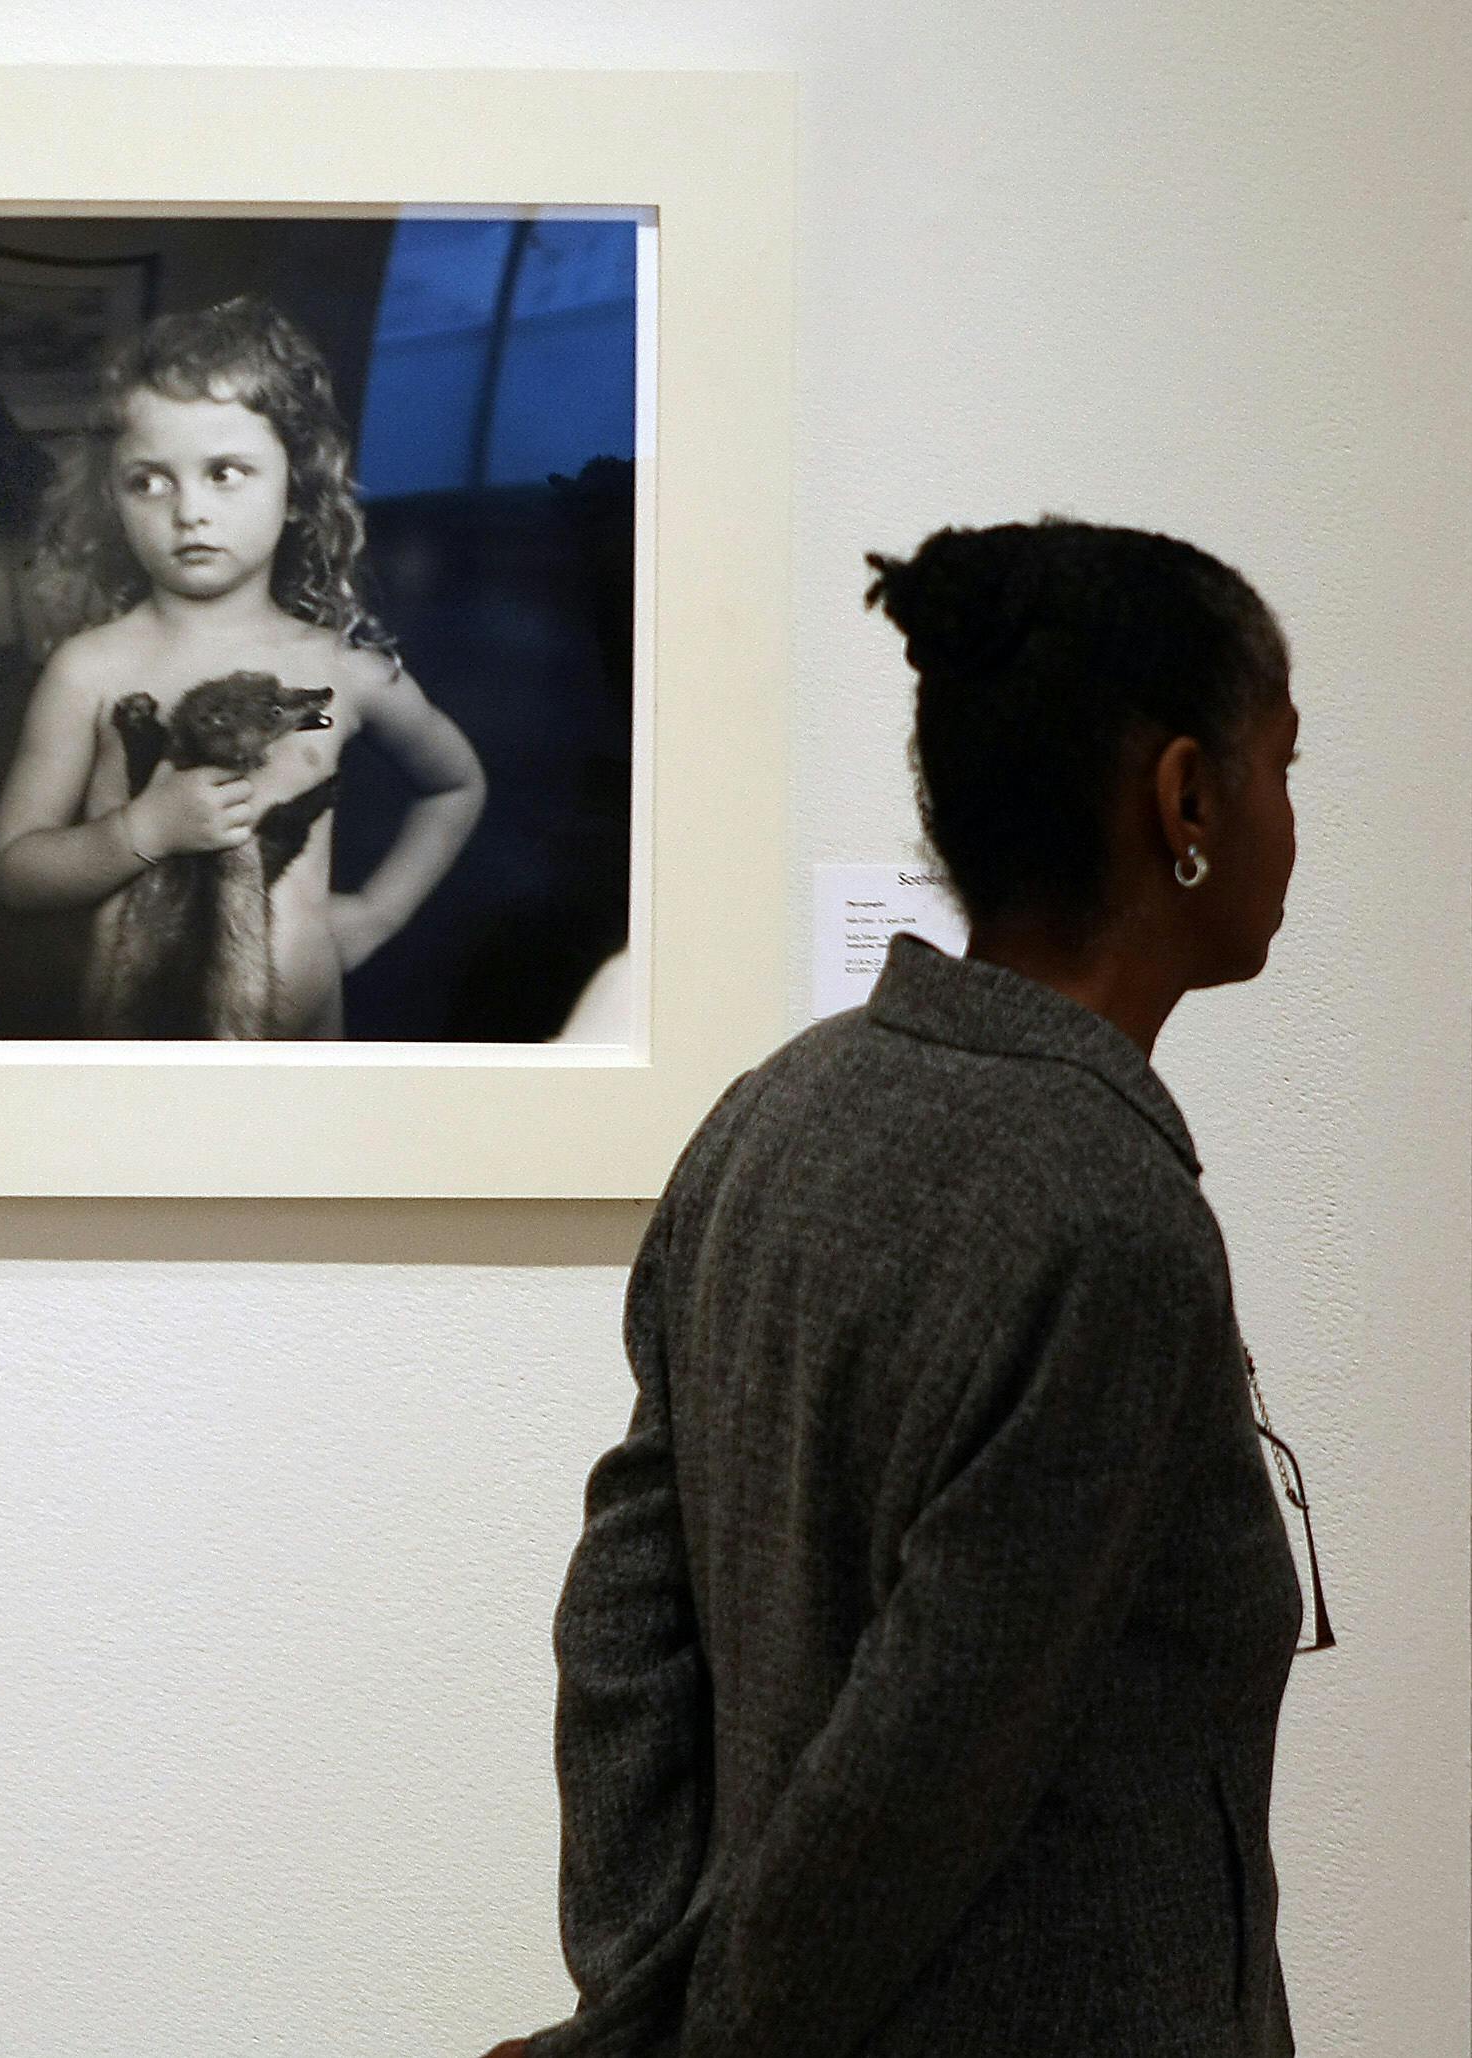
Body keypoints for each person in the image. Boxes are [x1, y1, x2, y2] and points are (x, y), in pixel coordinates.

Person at [491, 518, 1323, 2058]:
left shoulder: (769, 1115)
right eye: (1281, 764)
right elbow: (912, 1773)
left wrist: (634, 1996)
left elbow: (620, 1626)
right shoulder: (1113, 1218)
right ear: (1187, 800)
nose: (1292, 817)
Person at [0, 295, 486, 1038]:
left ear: (297, 490)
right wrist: (142, 829)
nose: (188, 510)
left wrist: (379, 913)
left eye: (225, 472)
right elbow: (15, 871)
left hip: (300, 1061)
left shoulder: (335, 677)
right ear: (112, 500)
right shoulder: (91, 672)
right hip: (134, 1058)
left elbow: (454, 784)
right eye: (150, 480)